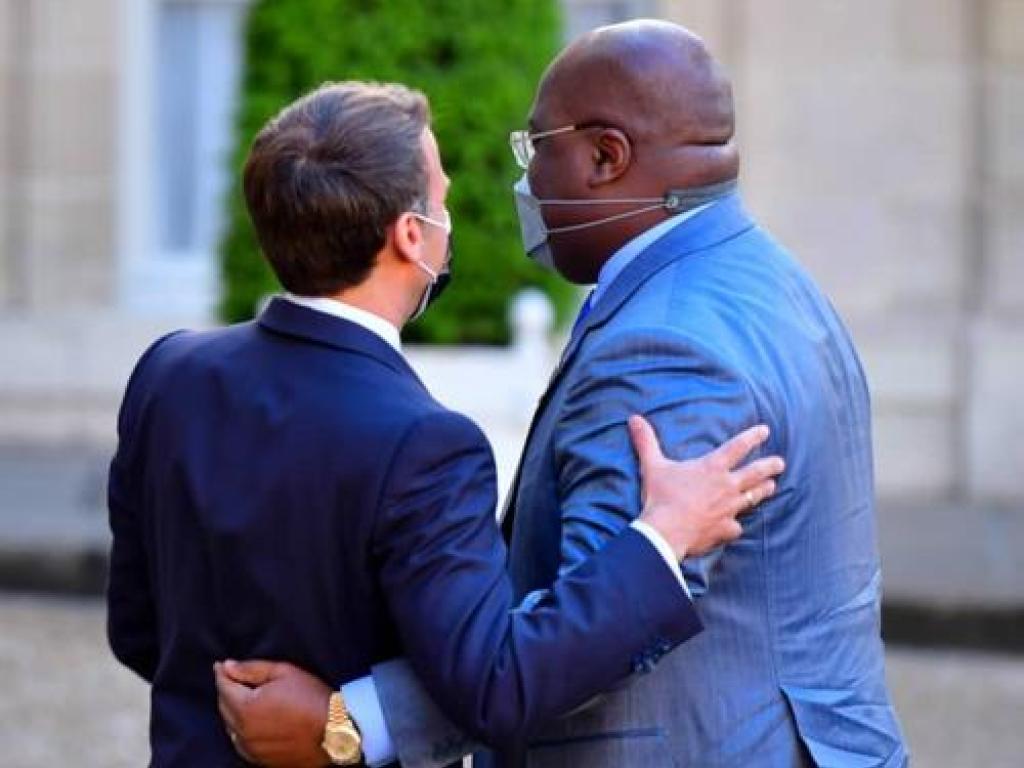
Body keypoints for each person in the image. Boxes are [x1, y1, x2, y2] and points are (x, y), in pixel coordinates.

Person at [219, 19, 909, 768]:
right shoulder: (768, 280)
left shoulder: (666, 352)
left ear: (605, 156)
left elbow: (578, 648)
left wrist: (347, 722)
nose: (526, 182)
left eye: (536, 149)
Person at [106, 80, 784, 766]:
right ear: (409, 236)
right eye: (441, 201)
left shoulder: (169, 374)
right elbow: (496, 686)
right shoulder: (426, 446)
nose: (449, 220)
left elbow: (137, 631)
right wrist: (662, 540)